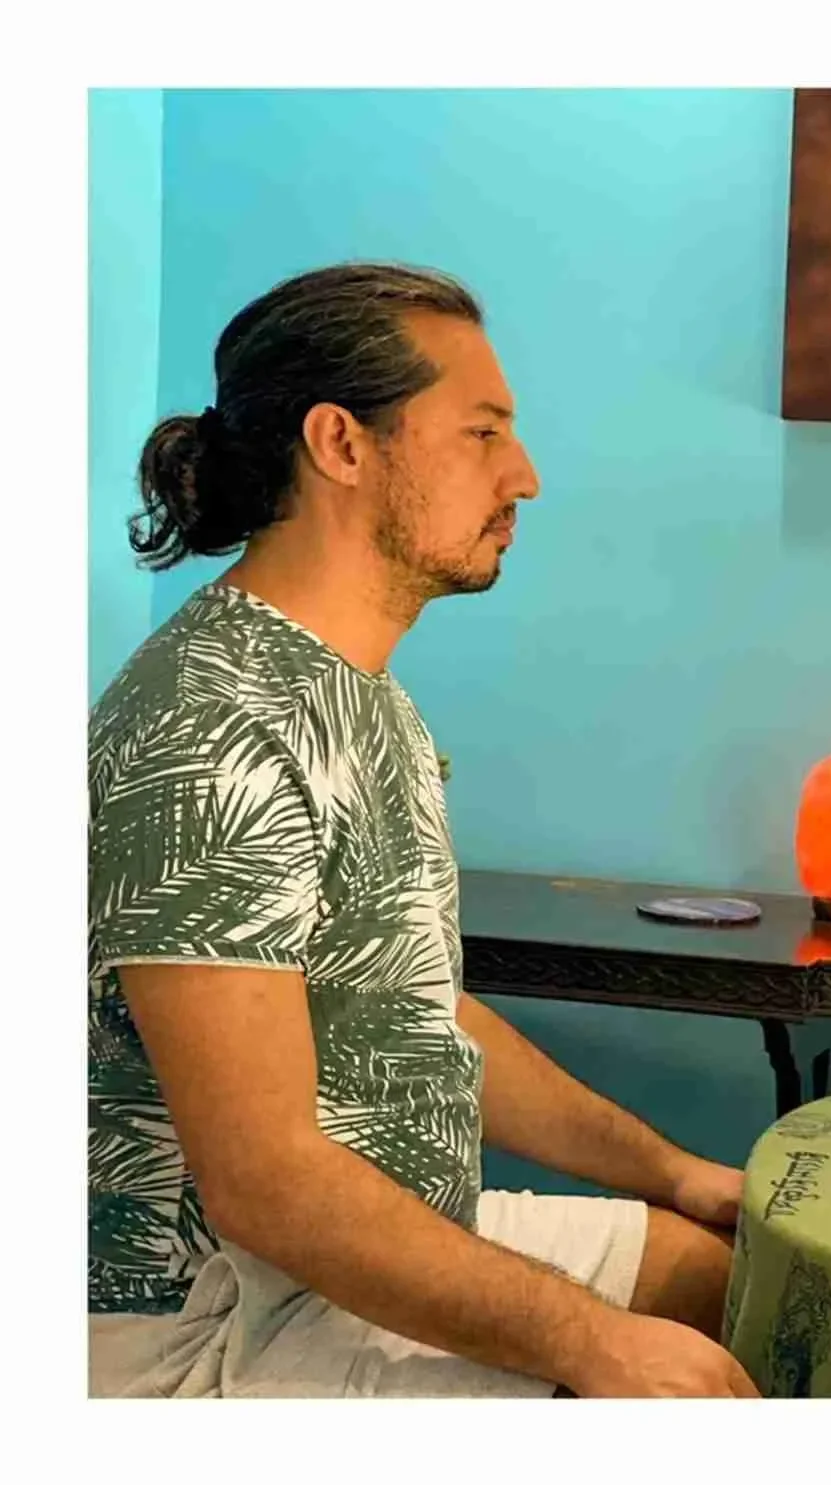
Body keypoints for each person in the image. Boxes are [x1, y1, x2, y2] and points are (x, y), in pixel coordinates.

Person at [88, 263, 759, 1398]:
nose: (526, 476)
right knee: (671, 1391)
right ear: (342, 444)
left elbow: (416, 1012)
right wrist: (592, 1343)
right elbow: (260, 1178)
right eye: (482, 432)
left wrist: (674, 1172)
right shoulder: (208, 730)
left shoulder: (362, 696)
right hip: (213, 1320)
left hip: (353, 1246)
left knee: (725, 1275)